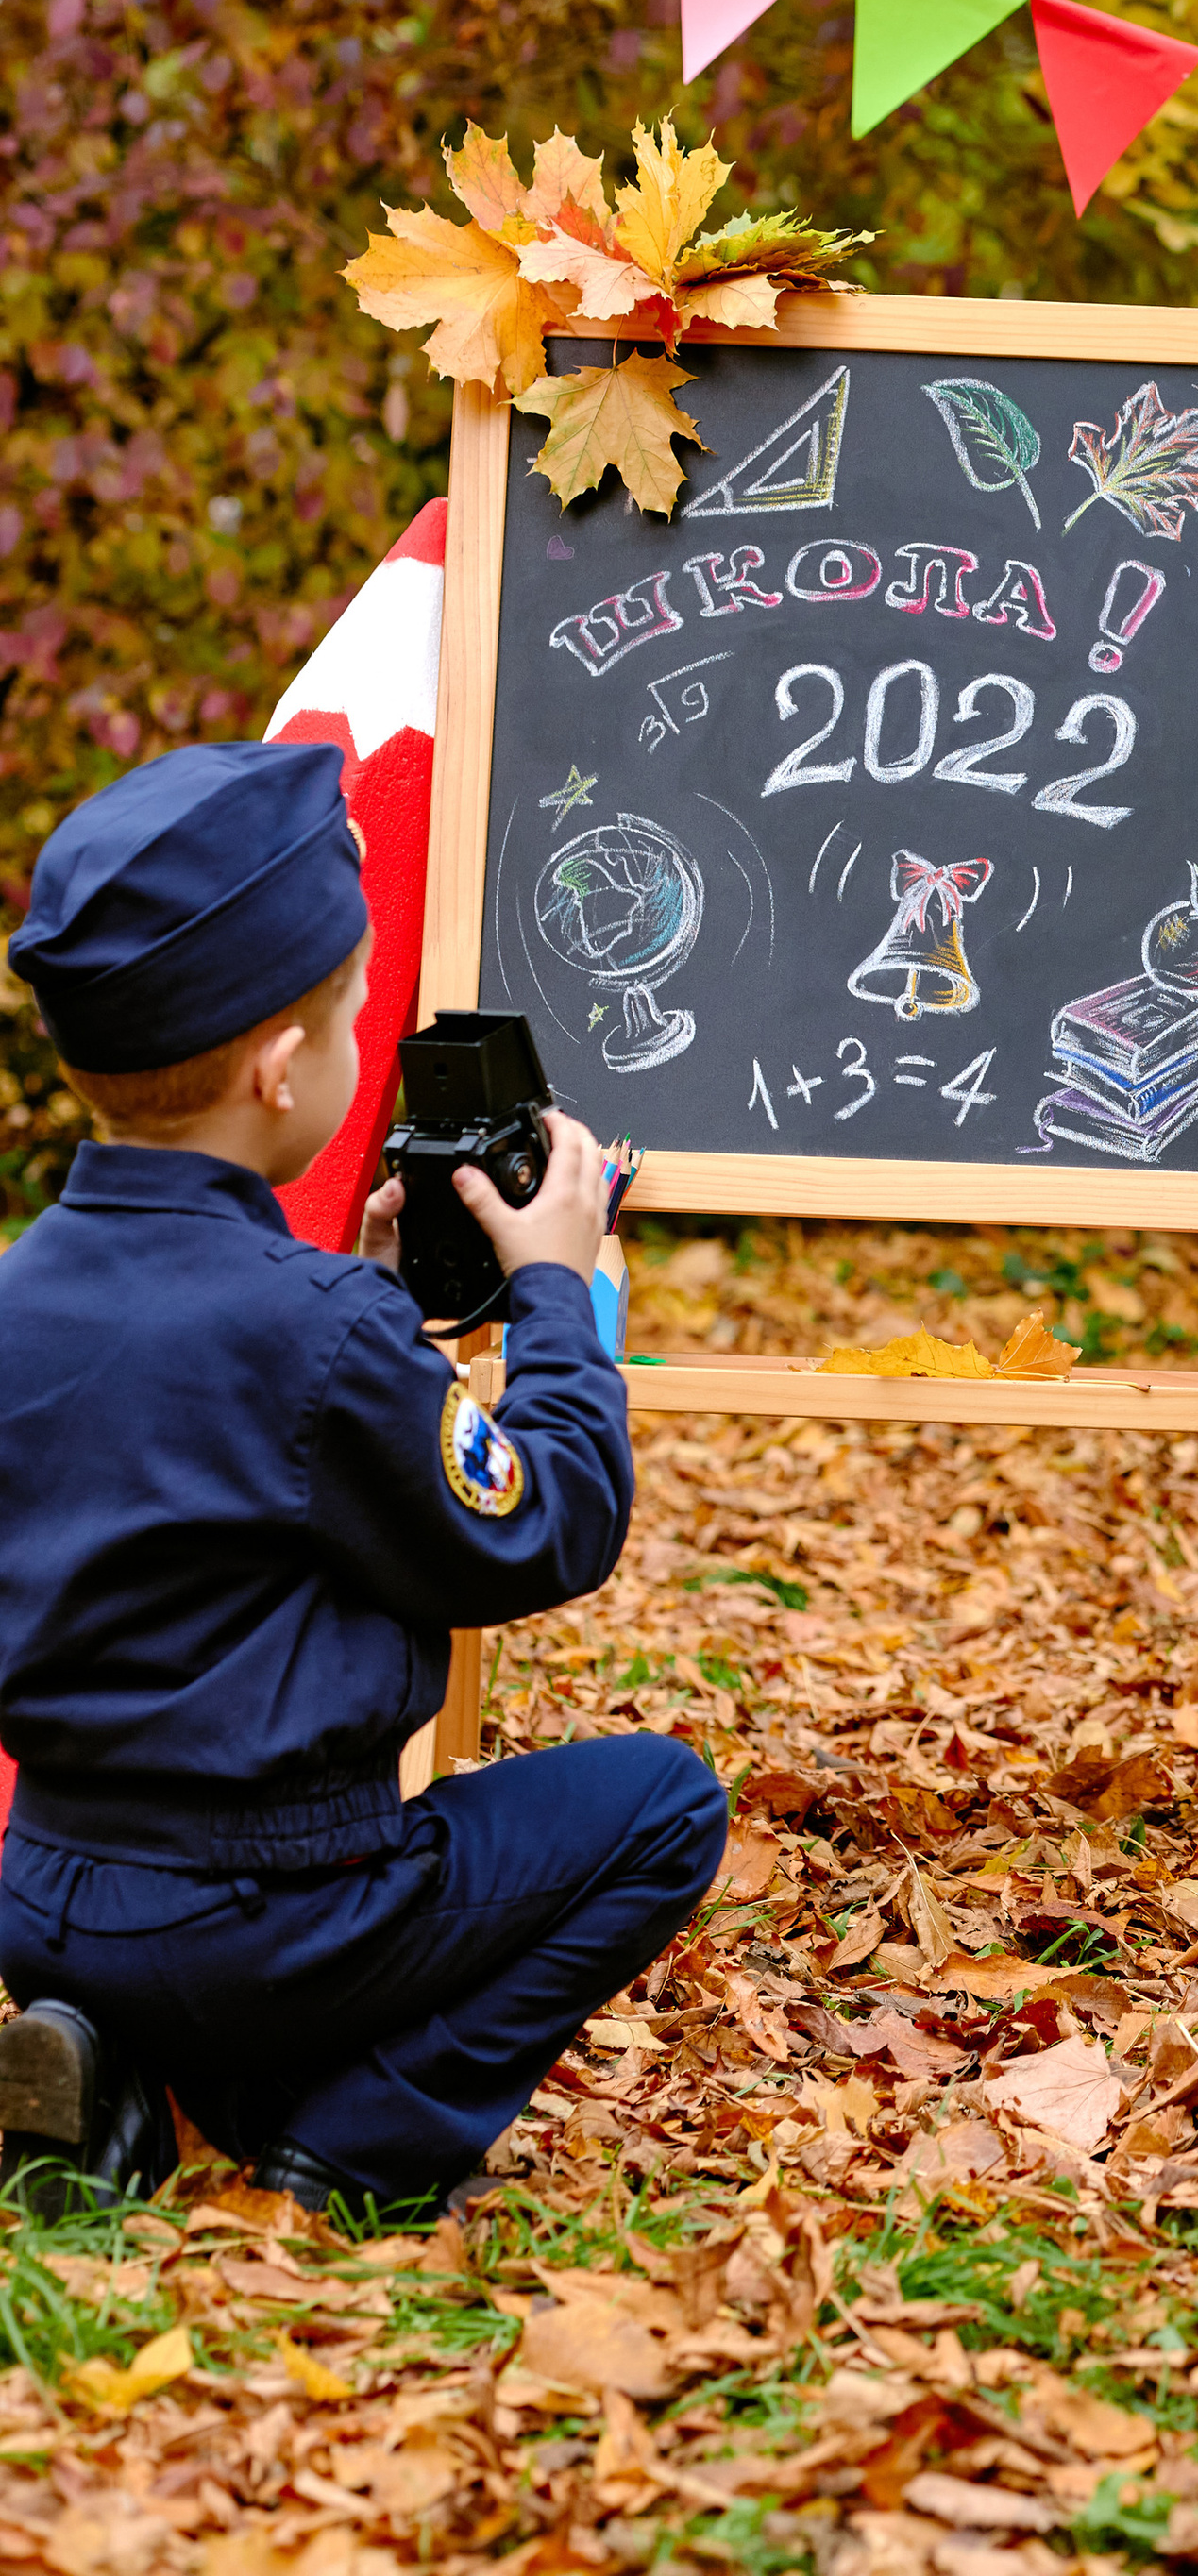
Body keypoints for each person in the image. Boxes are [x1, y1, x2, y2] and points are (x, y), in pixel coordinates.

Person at [0, 739, 727, 2216]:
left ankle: (116, 2079)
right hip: (272, 1916)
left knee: (195, 1966)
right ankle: (354, 2150)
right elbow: (546, 1530)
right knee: (664, 1805)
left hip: (49, 1893)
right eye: (348, 1018)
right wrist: (558, 1298)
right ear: (283, 1071)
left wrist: (380, 1310)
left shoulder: (23, 1292)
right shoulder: (309, 1325)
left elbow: (219, 1462)